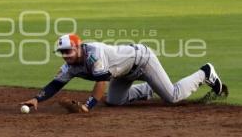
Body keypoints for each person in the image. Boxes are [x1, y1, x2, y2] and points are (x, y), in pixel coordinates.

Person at [21, 34, 226, 112]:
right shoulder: (70, 65)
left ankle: (205, 73)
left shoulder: (94, 55)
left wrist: (88, 105)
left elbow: (101, 81)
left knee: (172, 97)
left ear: (78, 47)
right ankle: (148, 89)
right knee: (114, 101)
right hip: (124, 72)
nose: (64, 55)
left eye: (67, 51)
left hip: (143, 61)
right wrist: (37, 99)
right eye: (61, 52)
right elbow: (56, 84)